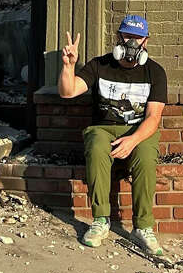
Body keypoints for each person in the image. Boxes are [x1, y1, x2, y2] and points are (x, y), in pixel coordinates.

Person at [58, 14, 167, 255]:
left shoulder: (155, 72)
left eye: (137, 38)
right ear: (118, 37)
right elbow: (68, 92)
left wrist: (133, 140)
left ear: (145, 41)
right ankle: (101, 220)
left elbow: (153, 118)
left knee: (147, 157)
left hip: (140, 130)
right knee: (97, 147)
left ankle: (143, 227)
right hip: (103, 128)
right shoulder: (100, 65)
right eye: (127, 36)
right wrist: (68, 66)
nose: (132, 43)